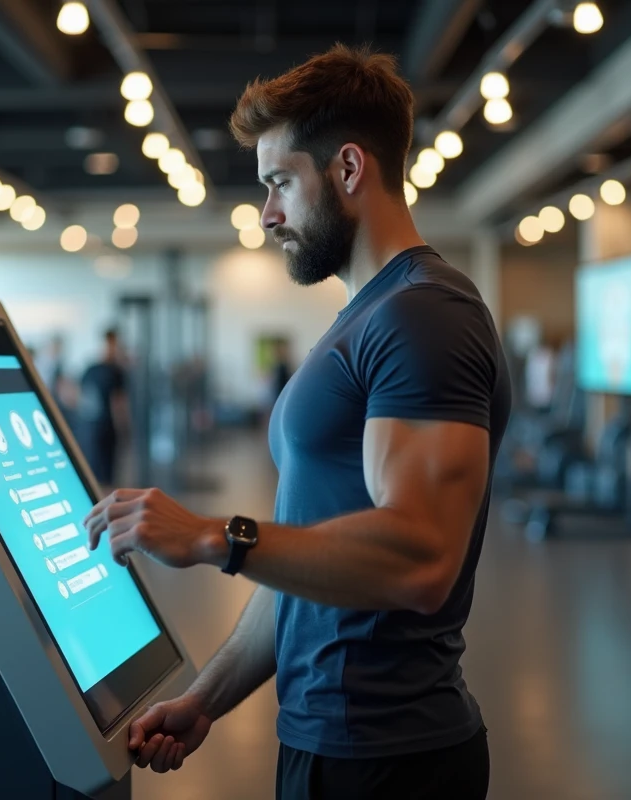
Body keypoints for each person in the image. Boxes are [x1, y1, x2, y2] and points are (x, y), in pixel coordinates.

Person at [83, 46, 510, 800]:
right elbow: (301, 570)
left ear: (348, 169)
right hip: (328, 744)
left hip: (390, 760)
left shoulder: (425, 316)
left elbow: (421, 558)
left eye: (280, 182)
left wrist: (213, 536)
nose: (268, 212)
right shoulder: (369, 314)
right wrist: (205, 698)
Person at [77, 328, 129, 488]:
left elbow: (119, 402)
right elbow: (81, 396)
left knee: (108, 471)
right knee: (95, 470)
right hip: (93, 428)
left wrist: (122, 426)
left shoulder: (116, 371)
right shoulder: (92, 369)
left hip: (107, 428)